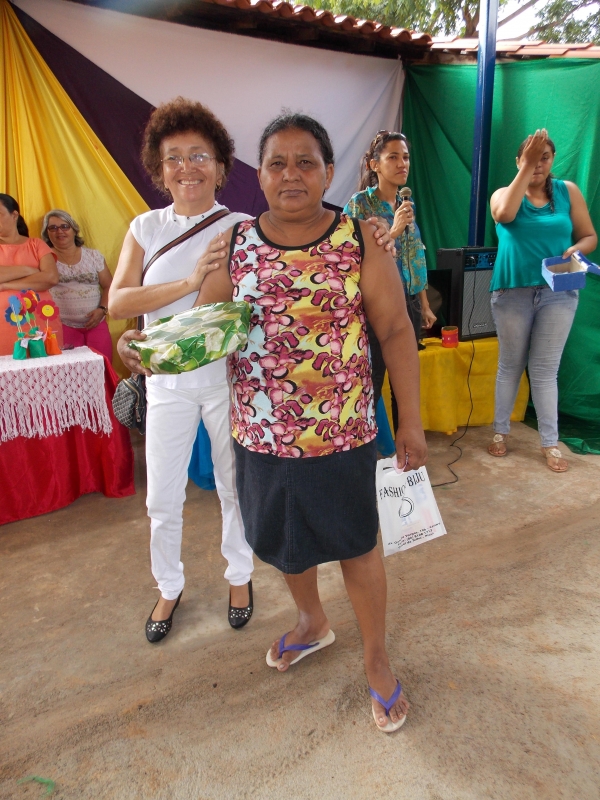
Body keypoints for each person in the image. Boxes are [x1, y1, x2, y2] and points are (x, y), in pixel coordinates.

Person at [195, 113, 427, 732]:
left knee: (356, 547)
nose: (291, 174)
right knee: (285, 546)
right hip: (263, 437)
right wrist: (153, 347)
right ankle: (312, 622)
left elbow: (398, 331)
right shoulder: (236, 244)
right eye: (277, 162)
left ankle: (377, 660)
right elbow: (203, 330)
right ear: (259, 174)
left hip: (343, 435)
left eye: (306, 162)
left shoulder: (361, 240)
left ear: (328, 171)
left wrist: (410, 425)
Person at [488, 129, 597, 472]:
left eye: (544, 158)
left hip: (559, 292)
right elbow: (504, 215)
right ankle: (500, 432)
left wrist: (576, 250)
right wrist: (528, 166)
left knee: (545, 371)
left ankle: (550, 443)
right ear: (519, 161)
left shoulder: (568, 192)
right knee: (510, 365)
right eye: (531, 158)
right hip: (511, 291)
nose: (538, 164)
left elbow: (589, 235)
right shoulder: (503, 194)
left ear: (552, 162)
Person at [344, 131, 436, 428]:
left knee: (405, 382)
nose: (402, 163)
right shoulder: (360, 206)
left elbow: (414, 256)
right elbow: (349, 256)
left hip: (408, 303)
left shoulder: (405, 204)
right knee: (371, 378)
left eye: (405, 157)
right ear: (374, 165)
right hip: (375, 306)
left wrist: (423, 304)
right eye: (393, 157)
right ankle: (362, 446)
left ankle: (405, 450)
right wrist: (394, 230)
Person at [42, 209, 113, 362]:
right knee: (70, 375)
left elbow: (109, 285)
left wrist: (102, 310)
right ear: (46, 233)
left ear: (74, 230)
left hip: (96, 325)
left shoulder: (93, 256)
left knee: (103, 370)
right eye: (52, 228)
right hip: (62, 326)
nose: (59, 231)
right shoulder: (44, 258)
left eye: (64, 226)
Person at [0, 194, 61, 356]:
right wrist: (29, 270)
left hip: (41, 320)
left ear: (14, 215)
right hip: (3, 326)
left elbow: (51, 278)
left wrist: (6, 285)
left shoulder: (36, 244)